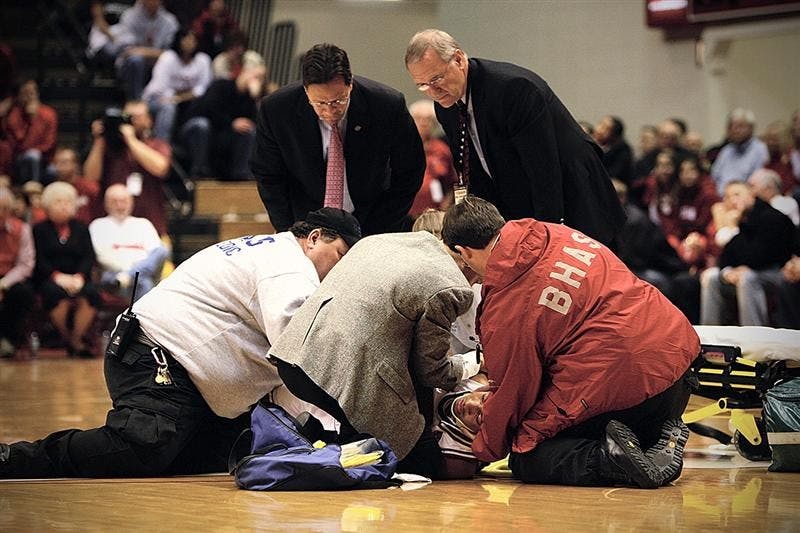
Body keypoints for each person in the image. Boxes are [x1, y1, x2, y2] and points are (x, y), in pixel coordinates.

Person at [0, 207, 361, 478]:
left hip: (178, 368)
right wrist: (347, 428)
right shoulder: (289, 267)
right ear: (314, 238)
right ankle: (13, 459)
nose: (341, 270)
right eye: (342, 255)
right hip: (156, 356)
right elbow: (297, 356)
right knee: (142, 449)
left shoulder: (272, 250)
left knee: (230, 455)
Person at [441, 195, 700, 488]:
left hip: (629, 389)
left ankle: (612, 458)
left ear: (463, 252)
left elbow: (514, 390)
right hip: (679, 368)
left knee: (529, 456)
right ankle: (655, 436)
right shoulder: (556, 233)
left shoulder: (506, 305)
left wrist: (486, 447)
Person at [267, 231, 477, 478]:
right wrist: (471, 365)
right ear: (466, 257)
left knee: (363, 446)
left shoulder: (378, 241)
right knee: (424, 461)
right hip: (342, 375)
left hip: (293, 356)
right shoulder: (453, 286)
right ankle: (320, 456)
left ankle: (324, 449)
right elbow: (430, 371)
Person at [404, 29, 625, 247]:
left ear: (459, 60)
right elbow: (474, 169)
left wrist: (545, 237)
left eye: (437, 78)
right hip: (519, 204)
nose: (433, 91)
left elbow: (543, 169)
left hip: (575, 198)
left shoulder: (512, 88)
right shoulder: (446, 106)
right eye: (422, 85)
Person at [251, 43, 425, 235]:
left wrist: (384, 226)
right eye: (319, 103)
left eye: (338, 100)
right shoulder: (277, 110)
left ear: (350, 84)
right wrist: (289, 229)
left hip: (373, 218)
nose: (329, 110)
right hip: (304, 220)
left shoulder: (386, 105)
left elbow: (411, 169)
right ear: (306, 90)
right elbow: (268, 174)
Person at [700, 181, 795, 327]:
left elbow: (757, 258)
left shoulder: (770, 217)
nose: (732, 200)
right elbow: (725, 258)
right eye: (727, 197)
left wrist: (732, 230)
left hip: (778, 272)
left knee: (747, 278)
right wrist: (728, 271)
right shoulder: (740, 218)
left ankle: (753, 334)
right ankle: (711, 333)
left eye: (737, 194)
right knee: (711, 276)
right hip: (752, 270)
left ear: (751, 195)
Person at [32, 182, 100, 358]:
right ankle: (69, 338)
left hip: (78, 277)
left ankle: (75, 340)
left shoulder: (81, 228)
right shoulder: (39, 230)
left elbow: (89, 256)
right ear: (48, 205)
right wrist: (57, 277)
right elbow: (39, 259)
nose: (64, 206)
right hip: (50, 278)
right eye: (58, 202)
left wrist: (79, 276)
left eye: (68, 202)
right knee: (54, 294)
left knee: (91, 293)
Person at [83, 100, 171, 236]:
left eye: (138, 117)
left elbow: (160, 168)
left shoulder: (157, 145)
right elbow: (90, 177)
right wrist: (99, 140)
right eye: (129, 117)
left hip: (150, 224)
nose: (133, 121)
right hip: (111, 226)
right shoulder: (108, 147)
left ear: (149, 121)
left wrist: (131, 139)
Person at [176, 64, 264, 181]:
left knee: (250, 131)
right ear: (244, 72)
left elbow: (253, 122)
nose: (257, 81)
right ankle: (199, 172)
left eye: (261, 78)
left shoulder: (249, 100)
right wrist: (231, 123)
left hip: (222, 135)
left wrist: (256, 98)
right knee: (202, 125)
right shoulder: (222, 85)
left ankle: (241, 174)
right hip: (195, 129)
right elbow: (207, 109)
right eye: (255, 76)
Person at [89, 184, 168, 301]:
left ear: (132, 203)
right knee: (144, 283)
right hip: (113, 276)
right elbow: (101, 256)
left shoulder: (143, 223)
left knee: (162, 250)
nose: (120, 206)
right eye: (114, 202)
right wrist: (130, 271)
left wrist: (129, 274)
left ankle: (130, 276)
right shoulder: (98, 225)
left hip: (136, 276)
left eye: (124, 201)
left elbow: (155, 253)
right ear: (106, 204)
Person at [87, 0, 179, 100]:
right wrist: (152, 53)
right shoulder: (130, 16)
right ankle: (135, 102)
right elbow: (128, 50)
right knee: (135, 59)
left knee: (167, 62)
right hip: (132, 65)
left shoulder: (170, 21)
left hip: (159, 64)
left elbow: (172, 54)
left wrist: (145, 52)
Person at [142, 27, 212, 141]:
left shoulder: (203, 60)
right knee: (168, 107)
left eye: (192, 40)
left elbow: (203, 88)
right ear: (179, 40)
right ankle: (162, 144)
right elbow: (161, 88)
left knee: (200, 110)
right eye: (186, 39)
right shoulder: (168, 57)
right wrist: (179, 96)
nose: (189, 43)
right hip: (155, 100)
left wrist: (180, 97)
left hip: (187, 102)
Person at [0, 186, 36, 358]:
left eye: (4, 208)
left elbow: (25, 265)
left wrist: (3, 284)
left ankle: (8, 341)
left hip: (9, 277)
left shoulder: (22, 229)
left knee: (24, 294)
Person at [408, 99, 457, 219]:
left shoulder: (441, 149)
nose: (423, 123)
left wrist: (444, 209)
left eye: (428, 120)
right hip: (406, 211)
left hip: (434, 212)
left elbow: (452, 182)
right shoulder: (403, 147)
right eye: (419, 119)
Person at [3, 80, 58, 185]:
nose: (29, 97)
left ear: (37, 93)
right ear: (20, 95)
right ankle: (32, 190)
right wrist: (30, 120)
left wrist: (37, 151)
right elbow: (16, 144)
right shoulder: (14, 115)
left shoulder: (49, 113)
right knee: (32, 156)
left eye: (32, 93)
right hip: (20, 159)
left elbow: (50, 143)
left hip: (44, 159)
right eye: (25, 93)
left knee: (53, 170)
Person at [710, 108, 769, 196]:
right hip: (720, 198)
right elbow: (714, 177)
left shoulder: (760, 149)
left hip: (744, 199)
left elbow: (757, 184)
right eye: (732, 127)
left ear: (751, 128)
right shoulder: (727, 150)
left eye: (740, 126)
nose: (735, 130)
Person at [50, 147, 99, 225]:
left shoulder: (89, 188)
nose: (59, 167)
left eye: (64, 162)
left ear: (75, 164)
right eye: (56, 163)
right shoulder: (52, 190)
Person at [593, 115, 633, 186]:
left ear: (614, 134)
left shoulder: (623, 150)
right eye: (600, 124)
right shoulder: (591, 144)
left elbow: (614, 173)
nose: (599, 129)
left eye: (605, 128)